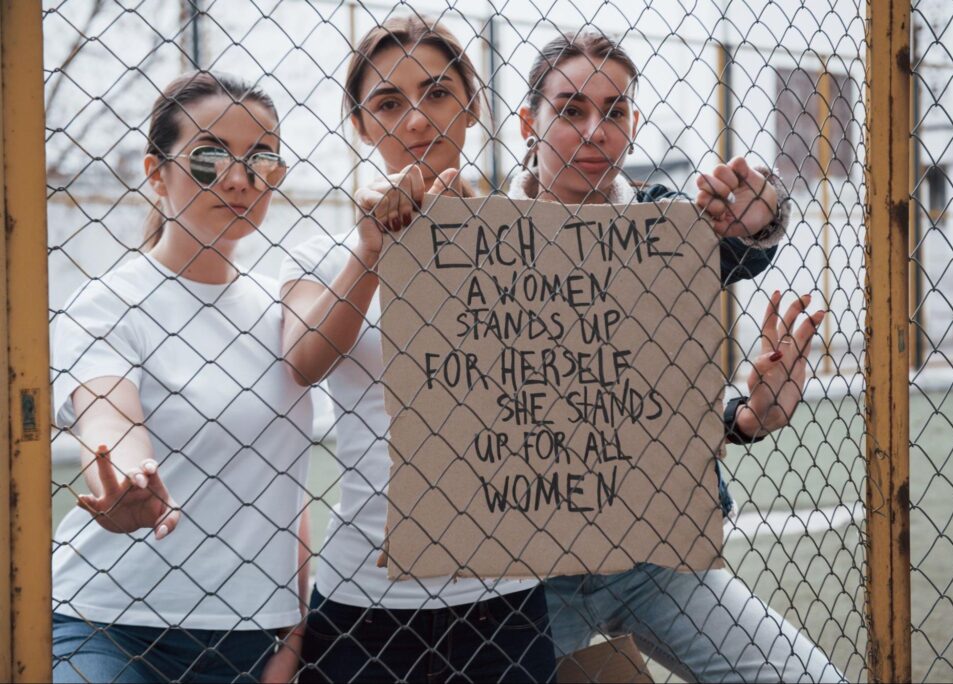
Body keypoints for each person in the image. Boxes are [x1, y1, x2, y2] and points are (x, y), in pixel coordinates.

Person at [512, 30, 846, 683]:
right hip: (531, 577)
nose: (594, 130)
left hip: (652, 557)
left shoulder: (662, 224)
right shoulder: (483, 237)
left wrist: (763, 204)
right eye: (571, 109)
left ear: (634, 124)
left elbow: (744, 241)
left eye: (614, 111)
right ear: (530, 121)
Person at [279, 16, 555, 683]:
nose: (415, 118)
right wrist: (371, 253)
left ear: (472, 108)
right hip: (364, 604)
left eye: (435, 93)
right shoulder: (320, 254)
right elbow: (303, 360)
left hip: (505, 598)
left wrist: (470, 242)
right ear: (361, 125)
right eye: (388, 102)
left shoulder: (533, 239)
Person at [51, 71, 312, 683]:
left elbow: (288, 485)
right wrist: (123, 479)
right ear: (154, 170)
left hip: (250, 639)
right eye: (209, 157)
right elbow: (109, 416)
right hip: (108, 625)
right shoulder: (108, 301)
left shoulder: (286, 312)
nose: (240, 179)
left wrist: (294, 637)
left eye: (262, 159)